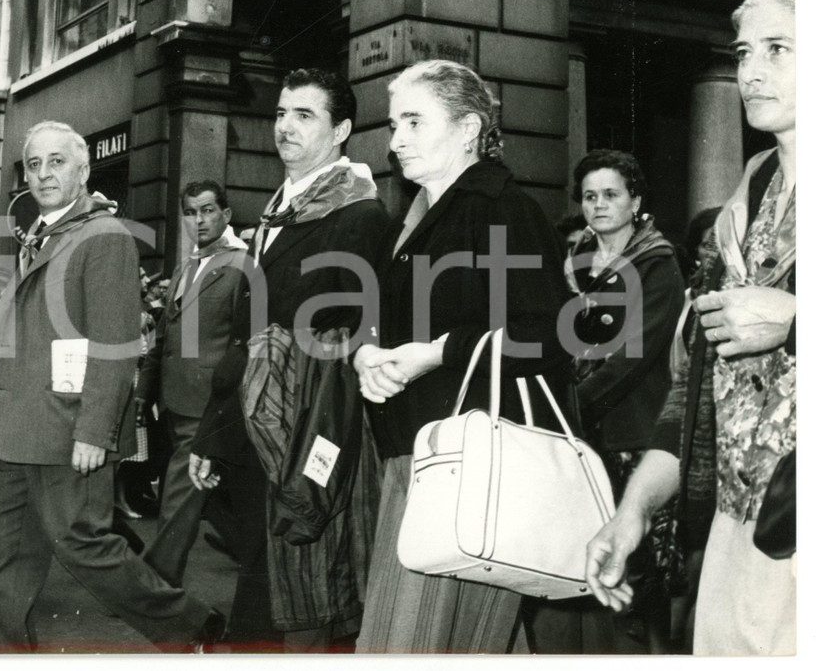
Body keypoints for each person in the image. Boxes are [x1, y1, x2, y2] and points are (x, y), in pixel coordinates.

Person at [585, 0, 796, 656]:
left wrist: (798, 317)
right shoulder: (744, 203)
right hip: (739, 526)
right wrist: (633, 511)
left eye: (778, 49)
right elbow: (695, 388)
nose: (751, 71)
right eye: (743, 52)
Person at [0, 120, 221, 653]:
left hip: (65, 428)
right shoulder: (37, 233)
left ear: (83, 171)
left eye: (56, 162)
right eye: (34, 164)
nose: (43, 174)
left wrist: (95, 429)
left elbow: (114, 343)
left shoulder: (103, 235)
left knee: (83, 546)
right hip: (13, 431)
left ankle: (189, 625)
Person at [352, 59, 572, 653]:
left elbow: (548, 330)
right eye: (395, 124)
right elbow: (386, 319)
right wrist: (368, 357)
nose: (396, 141)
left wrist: (434, 354)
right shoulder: (419, 216)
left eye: (415, 122)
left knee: (414, 644)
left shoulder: (499, 207)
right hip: (421, 458)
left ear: (469, 127)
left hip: (472, 465)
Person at [190, 68, 390, 651]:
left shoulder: (359, 215)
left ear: (342, 130)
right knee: (272, 590)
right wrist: (214, 433)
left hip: (306, 429)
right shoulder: (278, 212)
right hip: (259, 424)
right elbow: (248, 337)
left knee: (302, 597)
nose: (284, 127)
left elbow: (343, 342)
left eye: (305, 115)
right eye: (281, 113)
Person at [560, 149, 685, 652]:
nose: (599, 205)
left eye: (611, 194)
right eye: (590, 196)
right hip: (588, 428)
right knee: (604, 559)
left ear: (635, 200)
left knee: (647, 565)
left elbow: (636, 355)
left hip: (637, 427)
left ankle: (658, 654)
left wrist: (573, 405)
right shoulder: (576, 260)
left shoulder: (658, 262)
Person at [138, 180, 247, 585]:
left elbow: (244, 343)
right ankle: (251, 553)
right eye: (189, 212)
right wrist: (142, 394)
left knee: (180, 494)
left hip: (209, 405)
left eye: (206, 210)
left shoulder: (243, 266)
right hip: (175, 400)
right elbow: (163, 339)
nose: (198, 220)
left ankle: (154, 585)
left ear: (226, 214)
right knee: (210, 491)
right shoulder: (187, 266)